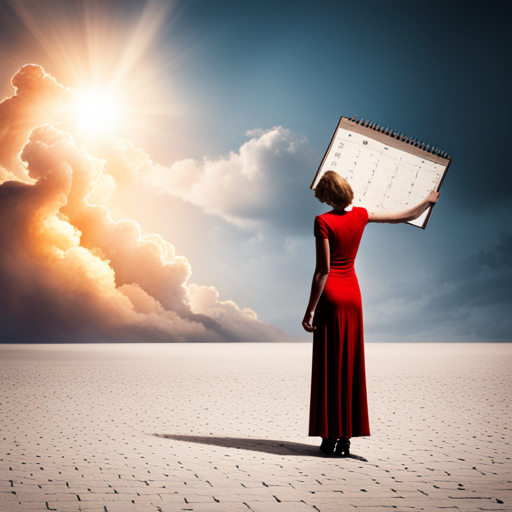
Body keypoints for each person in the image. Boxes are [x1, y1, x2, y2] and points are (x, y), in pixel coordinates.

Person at [302, 170, 439, 456]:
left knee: (330, 368)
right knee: (349, 366)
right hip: (353, 295)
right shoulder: (362, 215)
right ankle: (345, 439)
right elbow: (403, 216)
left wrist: (310, 310)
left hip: (332, 296)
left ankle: (328, 438)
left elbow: (323, 270)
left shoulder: (323, 221)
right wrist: (427, 200)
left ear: (327, 196)